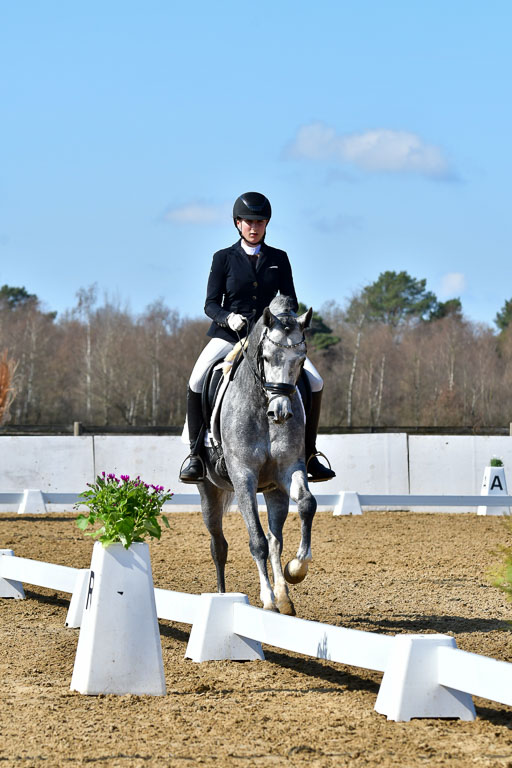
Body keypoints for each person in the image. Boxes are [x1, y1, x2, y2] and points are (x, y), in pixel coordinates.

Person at [179, 191, 335, 484]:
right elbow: (210, 303)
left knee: (315, 381)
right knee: (197, 379)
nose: (254, 227)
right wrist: (227, 317)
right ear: (238, 223)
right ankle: (196, 455)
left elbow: (291, 301)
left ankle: (310, 454)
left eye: (260, 222)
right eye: (249, 221)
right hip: (230, 334)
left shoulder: (279, 258)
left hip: (269, 338)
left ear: (266, 224)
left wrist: (279, 318)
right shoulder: (223, 258)